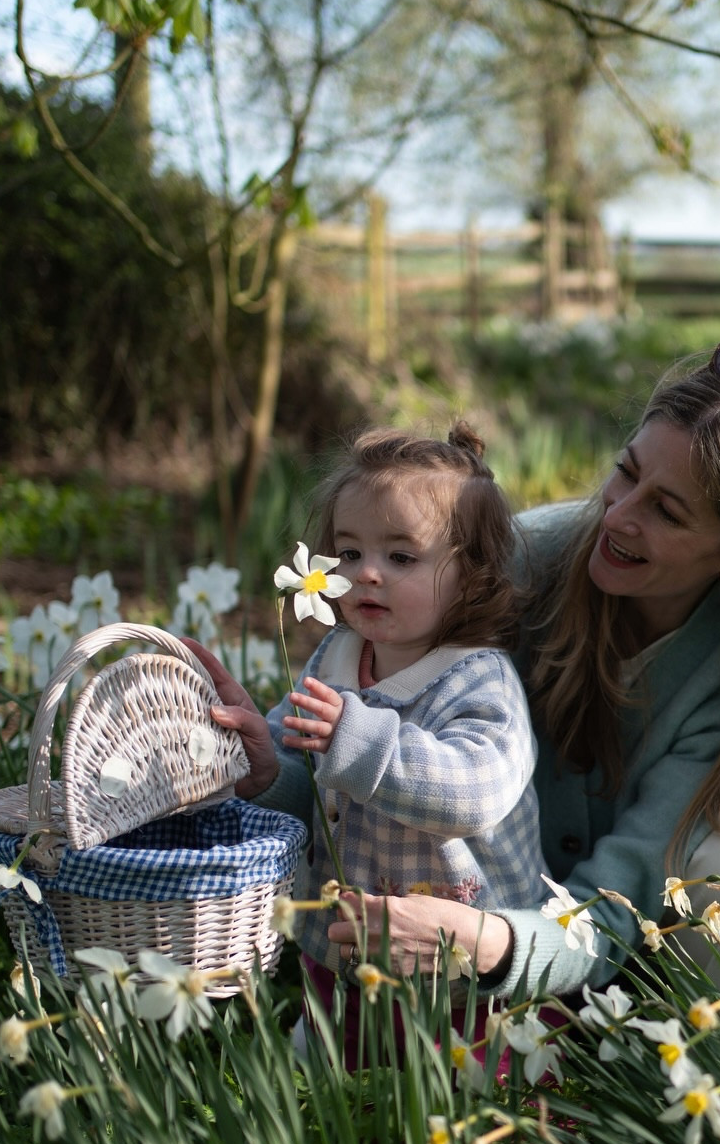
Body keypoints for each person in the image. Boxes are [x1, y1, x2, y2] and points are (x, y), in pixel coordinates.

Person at [211, 346, 720, 1001]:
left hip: (608, 926)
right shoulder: (510, 565)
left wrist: (489, 944)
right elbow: (348, 754)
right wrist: (269, 769)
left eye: (666, 510)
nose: (618, 514)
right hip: (473, 900)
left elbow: (611, 908)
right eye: (625, 473)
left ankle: (688, 1062)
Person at [211, 421, 543, 995]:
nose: (365, 571)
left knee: (452, 1068)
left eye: (401, 556)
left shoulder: (478, 679)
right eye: (349, 551)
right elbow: (309, 778)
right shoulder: (336, 655)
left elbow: (474, 794)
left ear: (473, 576)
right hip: (342, 937)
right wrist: (268, 769)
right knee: (336, 1050)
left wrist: (357, 741)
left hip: (448, 958)